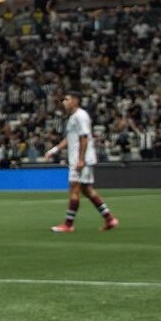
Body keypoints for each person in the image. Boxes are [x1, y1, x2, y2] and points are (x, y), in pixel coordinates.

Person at [45, 92, 117, 233]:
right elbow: (69, 138)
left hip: (80, 160)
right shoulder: (73, 117)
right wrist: (54, 150)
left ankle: (68, 224)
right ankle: (109, 219)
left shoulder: (80, 116)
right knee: (87, 190)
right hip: (79, 159)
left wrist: (81, 159)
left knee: (74, 188)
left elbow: (84, 138)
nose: (64, 102)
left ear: (76, 101)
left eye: (67, 99)